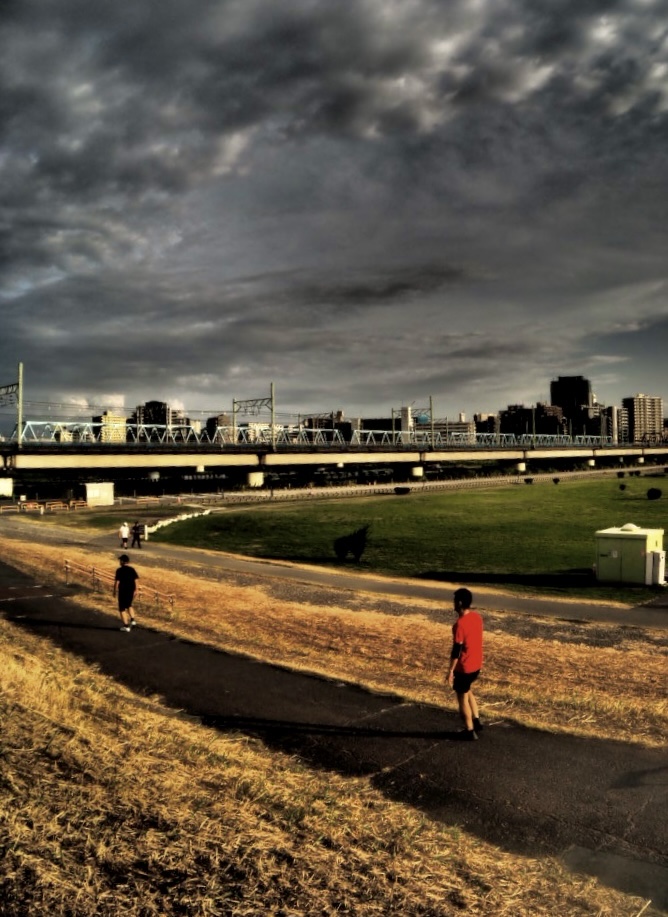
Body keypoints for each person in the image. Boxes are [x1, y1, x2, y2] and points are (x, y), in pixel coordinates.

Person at [447, 587, 483, 741]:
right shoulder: (477, 617)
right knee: (467, 690)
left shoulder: (459, 625)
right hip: (476, 665)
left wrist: (450, 671)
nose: (453, 603)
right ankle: (476, 720)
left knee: (462, 699)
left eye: (455, 601)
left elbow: (456, 651)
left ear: (460, 603)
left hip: (465, 668)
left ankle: (469, 730)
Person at [113, 554, 139, 632]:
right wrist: (136, 590)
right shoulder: (132, 569)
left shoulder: (119, 570)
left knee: (122, 608)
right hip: (131, 590)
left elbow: (117, 582)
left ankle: (126, 626)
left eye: (120, 560)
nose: (119, 562)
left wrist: (114, 591)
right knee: (129, 605)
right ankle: (133, 620)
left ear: (122, 561)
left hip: (123, 591)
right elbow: (136, 580)